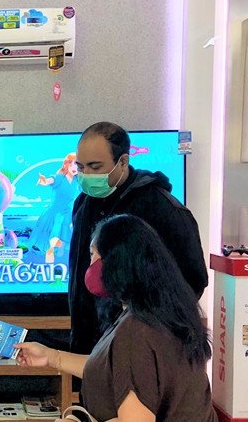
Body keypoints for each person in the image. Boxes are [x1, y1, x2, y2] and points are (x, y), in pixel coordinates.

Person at [15, 214, 218, 422]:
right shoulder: (168, 307)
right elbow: (112, 369)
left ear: (115, 262)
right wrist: (52, 357)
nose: (89, 265)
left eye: (93, 255)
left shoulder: (136, 331)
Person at [67, 122, 208, 355]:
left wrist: (146, 326)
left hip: (142, 344)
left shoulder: (161, 208)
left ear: (123, 161)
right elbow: (81, 270)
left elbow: (193, 280)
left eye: (95, 166)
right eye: (80, 167)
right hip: (91, 342)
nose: (86, 175)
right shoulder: (83, 204)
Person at [28, 153, 79, 263]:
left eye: (78, 164)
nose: (75, 168)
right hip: (54, 213)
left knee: (63, 241)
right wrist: (44, 181)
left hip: (68, 213)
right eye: (73, 164)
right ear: (67, 164)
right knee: (52, 241)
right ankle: (50, 261)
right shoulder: (59, 177)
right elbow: (50, 180)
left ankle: (57, 258)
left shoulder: (77, 180)